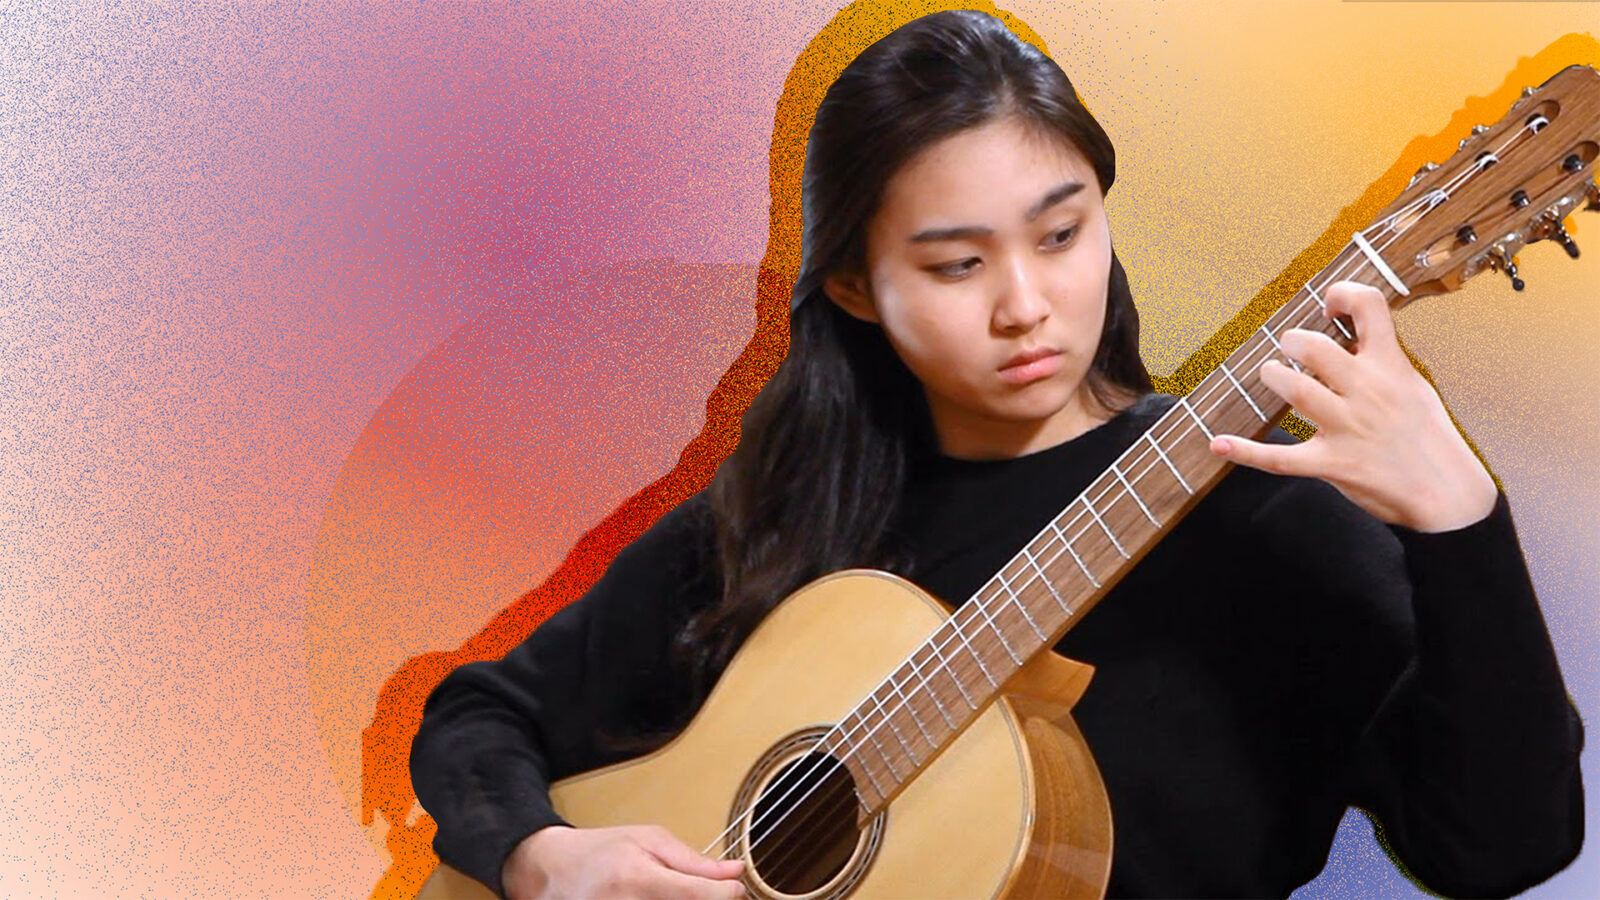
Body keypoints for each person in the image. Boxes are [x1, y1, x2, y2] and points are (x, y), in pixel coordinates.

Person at [409, 9, 1584, 899]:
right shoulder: (797, 505)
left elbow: (1504, 849)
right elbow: (481, 713)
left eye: (1061, 232)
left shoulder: (1276, 515)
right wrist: (540, 857)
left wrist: (1458, 518)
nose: (1027, 304)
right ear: (855, 289)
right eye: (956, 263)